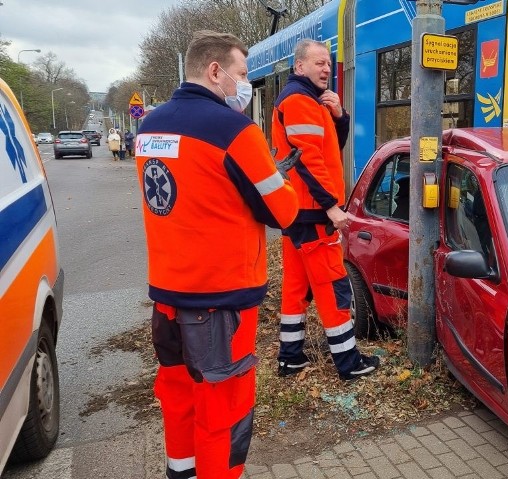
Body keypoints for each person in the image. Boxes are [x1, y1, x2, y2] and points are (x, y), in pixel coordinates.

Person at [134, 30, 299, 479]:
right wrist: (279, 179)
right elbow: (282, 211)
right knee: (223, 412)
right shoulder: (235, 130)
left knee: (177, 396)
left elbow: (194, 195)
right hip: (221, 302)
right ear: (215, 71)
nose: (245, 84)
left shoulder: (148, 127)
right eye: (242, 74)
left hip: (168, 298)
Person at [272, 38, 379, 381]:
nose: (326, 68)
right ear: (299, 66)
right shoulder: (300, 101)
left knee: (296, 287)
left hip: (297, 211)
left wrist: (340, 116)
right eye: (319, 63)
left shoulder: (307, 101)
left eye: (329, 64)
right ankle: (349, 363)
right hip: (313, 214)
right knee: (334, 286)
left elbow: (330, 147)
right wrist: (331, 207)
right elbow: (308, 160)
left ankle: (290, 358)